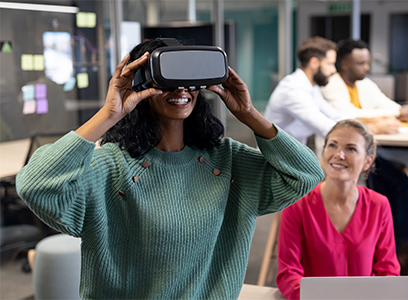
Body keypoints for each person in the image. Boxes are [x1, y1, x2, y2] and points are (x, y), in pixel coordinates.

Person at [15, 38, 324, 299]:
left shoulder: (226, 160)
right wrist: (110, 113)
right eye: (164, 81)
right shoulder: (111, 166)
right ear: (139, 87)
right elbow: (35, 185)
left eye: (188, 80)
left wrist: (248, 113)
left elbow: (307, 173)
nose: (180, 90)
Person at [320, 39, 408, 278]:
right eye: (361, 63)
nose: (367, 67)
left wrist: (397, 111)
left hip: (371, 152)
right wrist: (380, 118)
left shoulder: (364, 84)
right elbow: (347, 116)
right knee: (398, 183)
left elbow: (387, 105)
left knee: (390, 183)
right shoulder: (331, 86)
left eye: (367, 62)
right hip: (342, 158)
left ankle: (391, 252)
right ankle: (400, 252)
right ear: (345, 64)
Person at [276, 119, 401, 300]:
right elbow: (288, 273)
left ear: (367, 161)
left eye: (351, 149)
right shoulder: (298, 205)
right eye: (332, 145)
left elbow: (388, 271)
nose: (339, 155)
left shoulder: (379, 205)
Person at [264, 36, 398, 151]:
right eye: (330, 64)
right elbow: (325, 127)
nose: (334, 70)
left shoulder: (311, 86)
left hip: (292, 156)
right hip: (276, 161)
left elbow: (336, 116)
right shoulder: (294, 89)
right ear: (314, 63)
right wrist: (372, 128)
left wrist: (372, 121)